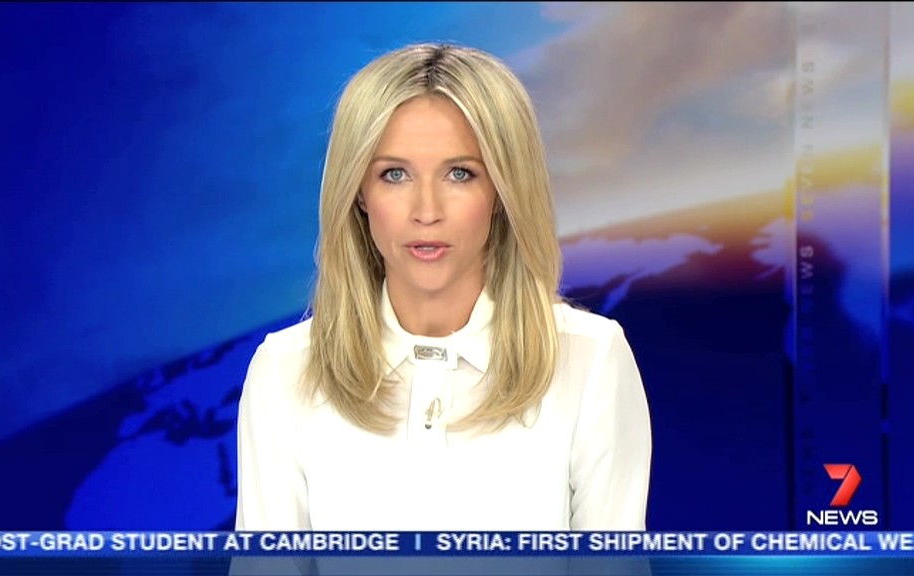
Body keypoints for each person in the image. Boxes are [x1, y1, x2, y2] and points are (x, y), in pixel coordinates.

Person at [235, 42, 652, 533]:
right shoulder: (285, 371)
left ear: (503, 190)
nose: (427, 211)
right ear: (359, 192)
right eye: (394, 174)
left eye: (460, 174)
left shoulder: (591, 361)